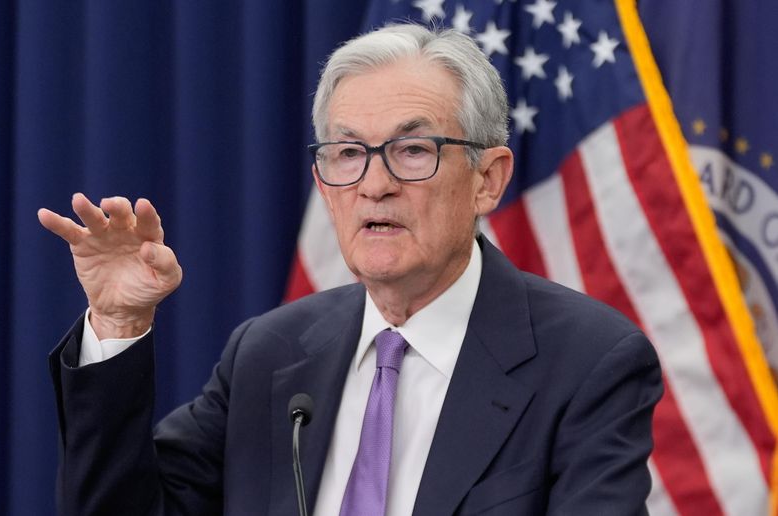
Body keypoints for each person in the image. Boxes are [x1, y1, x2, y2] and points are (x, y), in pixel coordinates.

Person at [39, 23, 662, 516]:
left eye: (413, 150)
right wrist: (119, 321)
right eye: (348, 154)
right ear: (324, 185)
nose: (375, 184)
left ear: (487, 179)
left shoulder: (588, 362)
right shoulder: (268, 354)